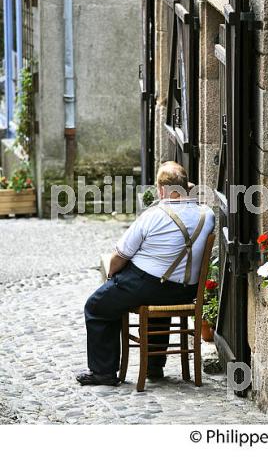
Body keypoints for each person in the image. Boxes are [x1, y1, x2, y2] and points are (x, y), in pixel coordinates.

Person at [76, 161, 215, 386]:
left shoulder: (153, 216)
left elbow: (119, 258)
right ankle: (154, 366)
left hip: (146, 285)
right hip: (184, 291)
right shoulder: (206, 215)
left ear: (160, 190)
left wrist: (111, 276)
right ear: (186, 186)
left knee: (97, 306)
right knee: (157, 294)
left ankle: (103, 372)